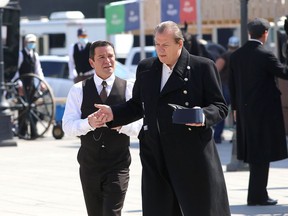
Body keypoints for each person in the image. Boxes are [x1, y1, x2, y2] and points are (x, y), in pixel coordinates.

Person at [92, 21, 230, 216]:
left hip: (192, 154)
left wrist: (202, 115)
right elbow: (137, 105)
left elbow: (220, 106)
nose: (160, 49)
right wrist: (113, 113)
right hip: (155, 153)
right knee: (159, 209)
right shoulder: (146, 68)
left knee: (201, 209)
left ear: (179, 44)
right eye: (157, 44)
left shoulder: (202, 67)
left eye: (165, 45)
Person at [62, 40, 142, 216]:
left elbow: (140, 127)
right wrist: (88, 124)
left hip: (118, 164)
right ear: (92, 62)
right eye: (102, 57)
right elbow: (67, 126)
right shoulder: (78, 90)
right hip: (89, 164)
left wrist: (121, 124)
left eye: (111, 56)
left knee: (112, 212)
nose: (107, 61)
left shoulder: (128, 88)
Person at [229, 18, 288, 206]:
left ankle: (256, 194)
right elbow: (285, 73)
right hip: (264, 114)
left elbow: (232, 85)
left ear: (249, 33)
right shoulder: (265, 55)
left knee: (255, 155)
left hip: (245, 114)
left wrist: (235, 109)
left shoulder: (236, 55)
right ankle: (257, 196)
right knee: (262, 155)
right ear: (265, 33)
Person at [13, 33, 45, 138]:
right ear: (26, 43)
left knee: (33, 107)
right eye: (30, 42)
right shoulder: (20, 54)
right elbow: (16, 70)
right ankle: (22, 131)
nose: (32, 44)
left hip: (31, 84)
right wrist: (19, 84)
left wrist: (42, 83)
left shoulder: (35, 55)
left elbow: (38, 70)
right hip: (22, 83)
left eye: (33, 42)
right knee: (22, 109)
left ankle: (33, 132)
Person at [213, 36, 240, 143]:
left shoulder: (224, 56)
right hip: (237, 87)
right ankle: (236, 137)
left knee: (222, 111)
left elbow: (215, 70)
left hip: (226, 86)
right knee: (237, 112)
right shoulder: (240, 56)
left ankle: (217, 136)